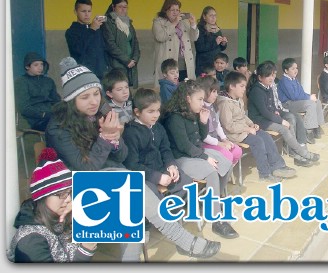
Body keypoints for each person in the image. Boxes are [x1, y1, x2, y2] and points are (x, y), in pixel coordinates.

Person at [46, 57, 220, 260]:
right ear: (71, 100)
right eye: (85, 97)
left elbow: (121, 156)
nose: (94, 101)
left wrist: (115, 138)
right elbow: (85, 169)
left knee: (130, 199)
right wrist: (105, 137)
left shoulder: (100, 115)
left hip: (114, 177)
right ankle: (184, 241)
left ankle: (178, 244)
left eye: (96, 94)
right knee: (131, 192)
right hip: (77, 185)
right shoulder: (58, 127)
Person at [161, 80, 239, 240]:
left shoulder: (193, 112)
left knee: (226, 161)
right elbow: (183, 146)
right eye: (199, 99)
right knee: (210, 171)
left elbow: (201, 137)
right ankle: (216, 219)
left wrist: (203, 121)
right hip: (181, 158)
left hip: (196, 152)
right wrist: (205, 157)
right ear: (188, 98)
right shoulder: (174, 118)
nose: (202, 103)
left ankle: (211, 200)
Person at [8, 147, 98, 262]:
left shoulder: (62, 216)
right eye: (61, 194)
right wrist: (86, 249)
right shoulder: (30, 241)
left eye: (70, 192)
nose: (68, 199)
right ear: (42, 197)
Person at [217, 71, 296, 183]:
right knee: (258, 141)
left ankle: (277, 165)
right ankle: (264, 174)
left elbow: (243, 116)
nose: (244, 89)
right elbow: (228, 126)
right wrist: (247, 129)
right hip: (233, 134)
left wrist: (251, 124)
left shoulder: (238, 100)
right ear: (231, 86)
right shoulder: (224, 103)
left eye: (244, 86)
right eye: (241, 86)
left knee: (266, 136)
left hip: (244, 130)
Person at [122, 88, 194, 199]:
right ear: (137, 112)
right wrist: (157, 177)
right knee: (154, 196)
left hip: (161, 169)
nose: (156, 115)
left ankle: (174, 205)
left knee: (188, 184)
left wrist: (171, 165)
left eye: (158, 110)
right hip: (145, 176)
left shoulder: (158, 127)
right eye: (151, 111)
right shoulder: (130, 133)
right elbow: (132, 165)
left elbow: (165, 149)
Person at [247, 61, 319, 167]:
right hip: (259, 121)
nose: (271, 78)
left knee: (292, 118)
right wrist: (281, 120)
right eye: (268, 76)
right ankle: (302, 153)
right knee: (284, 128)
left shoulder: (268, 87)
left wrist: (277, 112)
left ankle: (296, 152)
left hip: (267, 117)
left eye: (272, 75)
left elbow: (271, 107)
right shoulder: (257, 91)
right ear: (260, 77)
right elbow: (264, 112)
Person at [195, 75, 242, 166]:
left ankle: (225, 171)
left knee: (237, 151)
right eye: (213, 91)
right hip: (205, 143)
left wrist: (224, 139)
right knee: (226, 155)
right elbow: (204, 136)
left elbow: (217, 125)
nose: (216, 94)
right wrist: (220, 144)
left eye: (217, 91)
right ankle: (222, 173)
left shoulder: (213, 106)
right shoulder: (199, 109)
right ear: (204, 91)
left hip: (216, 139)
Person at [152, 0, 198, 84]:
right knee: (170, 90)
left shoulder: (184, 22)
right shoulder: (158, 22)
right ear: (165, 10)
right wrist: (174, 24)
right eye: (172, 10)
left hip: (185, 64)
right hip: (169, 65)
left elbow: (194, 38)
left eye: (177, 10)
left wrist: (193, 24)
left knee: (187, 90)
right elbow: (160, 37)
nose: (175, 12)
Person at [277, 58, 325, 139]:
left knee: (317, 102)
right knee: (310, 104)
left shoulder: (294, 79)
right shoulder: (284, 81)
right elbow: (293, 96)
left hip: (296, 102)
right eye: (293, 69)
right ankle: (308, 130)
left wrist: (310, 96)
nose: (296, 70)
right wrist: (309, 98)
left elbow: (301, 93)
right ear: (286, 71)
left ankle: (317, 126)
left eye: (296, 68)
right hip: (287, 104)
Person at [101, 0, 141, 89]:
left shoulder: (128, 22)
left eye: (125, 7)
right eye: (120, 7)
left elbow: (135, 41)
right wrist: (126, 60)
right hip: (117, 64)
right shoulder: (108, 22)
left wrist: (135, 59)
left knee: (130, 92)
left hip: (131, 63)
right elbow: (110, 45)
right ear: (113, 7)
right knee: (119, 90)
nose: (123, 9)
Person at [14, 52, 61, 131]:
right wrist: (43, 114)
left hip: (52, 116)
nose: (40, 68)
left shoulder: (48, 81)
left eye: (41, 64)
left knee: (74, 120)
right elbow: (24, 107)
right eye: (36, 65)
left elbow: (56, 101)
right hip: (36, 120)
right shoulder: (21, 82)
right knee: (60, 127)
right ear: (27, 66)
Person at [65, 0, 108, 79]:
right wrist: (91, 30)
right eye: (83, 11)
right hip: (84, 74)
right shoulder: (71, 32)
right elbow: (79, 49)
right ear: (75, 12)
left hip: (102, 73)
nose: (87, 14)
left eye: (89, 11)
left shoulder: (96, 28)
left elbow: (103, 48)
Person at [195, 6, 228, 76]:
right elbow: (200, 47)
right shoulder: (199, 29)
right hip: (204, 64)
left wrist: (223, 43)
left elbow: (221, 48)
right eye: (211, 15)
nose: (213, 18)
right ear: (204, 16)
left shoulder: (217, 28)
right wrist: (215, 42)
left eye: (215, 15)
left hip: (216, 63)